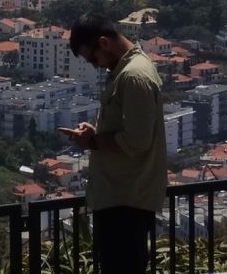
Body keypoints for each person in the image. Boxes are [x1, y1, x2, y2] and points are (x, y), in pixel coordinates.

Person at [58, 15, 167, 274]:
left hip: (125, 201)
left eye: (92, 58)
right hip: (123, 198)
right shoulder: (129, 70)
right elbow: (130, 132)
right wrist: (97, 134)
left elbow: (137, 141)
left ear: (104, 43)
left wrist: (93, 141)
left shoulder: (132, 76)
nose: (94, 65)